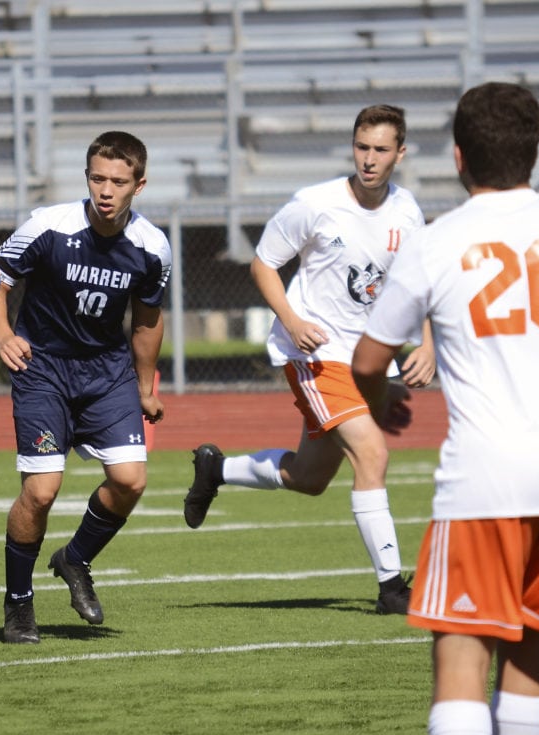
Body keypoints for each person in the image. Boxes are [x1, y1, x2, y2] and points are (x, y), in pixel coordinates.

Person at [352, 82, 539, 735]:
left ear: (458, 155)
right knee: (532, 642)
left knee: (461, 646)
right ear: (535, 152)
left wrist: (382, 401)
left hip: (487, 479)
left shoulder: (439, 241)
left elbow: (367, 359)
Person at [183, 104, 434, 615]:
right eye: (361, 147)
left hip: (368, 360)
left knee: (310, 478)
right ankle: (391, 589)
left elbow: (421, 281)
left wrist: (427, 344)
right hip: (314, 354)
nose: (369, 159)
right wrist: (293, 321)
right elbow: (263, 264)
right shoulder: (314, 204)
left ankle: (216, 469)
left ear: (400, 154)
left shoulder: (407, 211)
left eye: (380, 150)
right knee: (372, 455)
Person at [0, 130, 171, 644]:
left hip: (107, 374)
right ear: (86, 177)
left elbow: (147, 320)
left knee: (131, 481)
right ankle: (18, 604)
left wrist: (146, 386)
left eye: (118, 182)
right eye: (97, 179)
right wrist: (3, 335)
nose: (106, 191)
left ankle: (75, 558)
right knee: (41, 491)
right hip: (43, 370)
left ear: (139, 185)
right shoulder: (48, 226)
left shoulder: (152, 247)